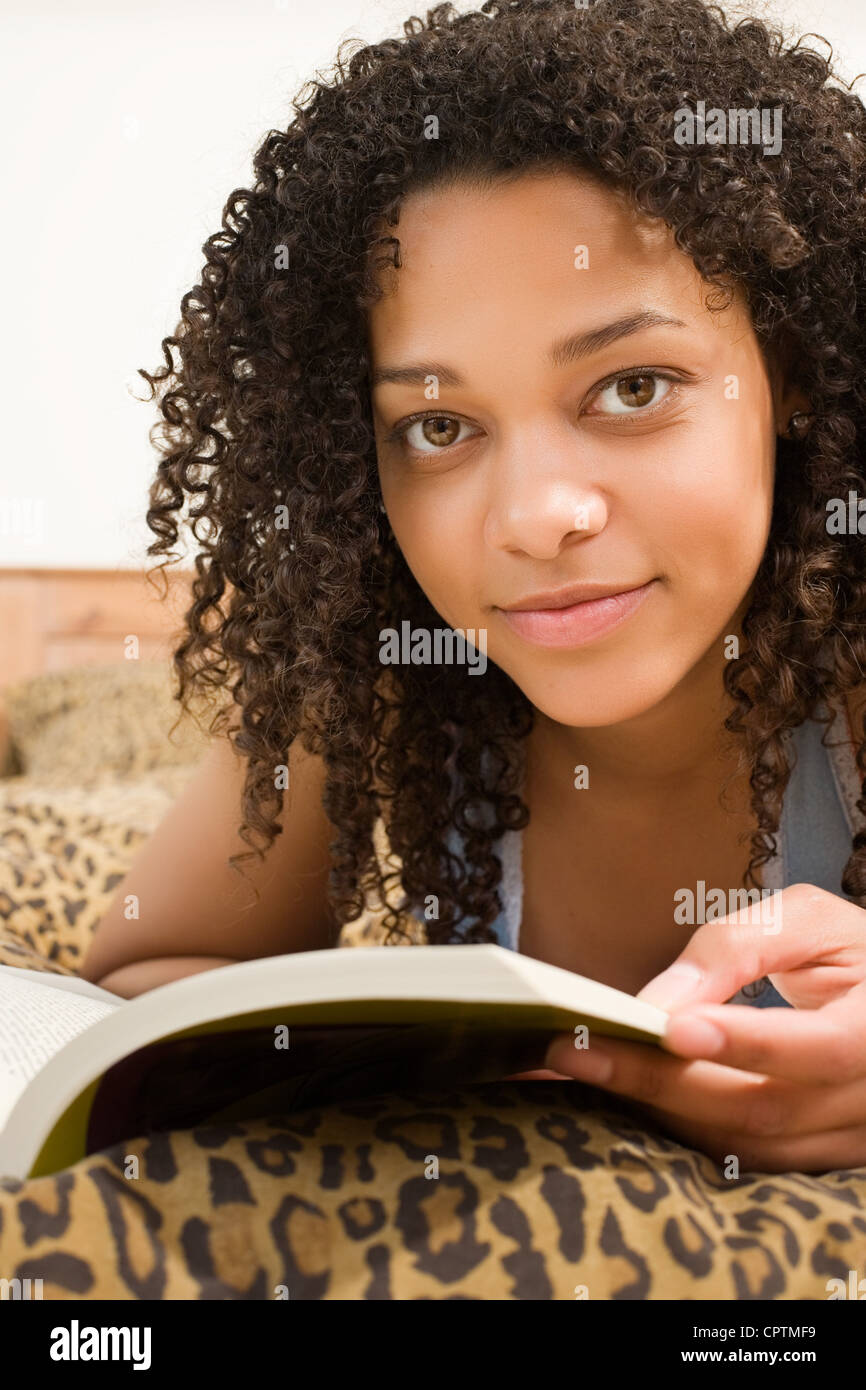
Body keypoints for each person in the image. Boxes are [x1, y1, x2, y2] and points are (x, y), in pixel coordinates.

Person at [81, 0, 866, 1172]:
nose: (536, 517)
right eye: (438, 423)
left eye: (633, 387)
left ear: (790, 376)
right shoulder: (386, 671)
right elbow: (140, 979)